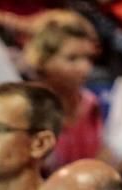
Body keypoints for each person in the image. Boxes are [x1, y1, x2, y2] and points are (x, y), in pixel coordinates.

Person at [23, 11, 104, 171]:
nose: (85, 68)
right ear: (42, 60)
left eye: (88, 58)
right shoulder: (28, 107)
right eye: (72, 58)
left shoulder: (92, 103)